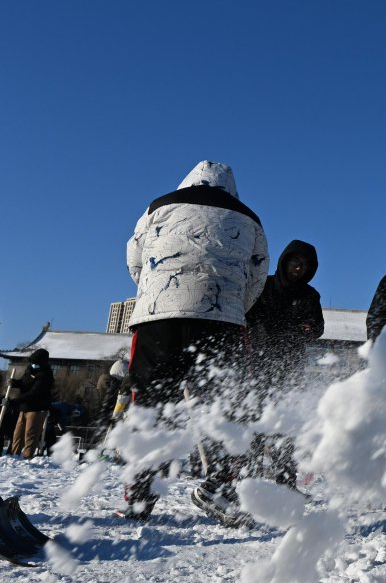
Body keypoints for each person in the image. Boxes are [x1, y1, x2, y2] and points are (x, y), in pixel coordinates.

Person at [122, 159, 269, 520]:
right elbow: (257, 275)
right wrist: (233, 307)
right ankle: (218, 487)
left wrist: (155, 295)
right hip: (223, 323)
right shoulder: (249, 217)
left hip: (159, 320)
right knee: (222, 406)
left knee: (153, 403)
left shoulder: (159, 206)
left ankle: (140, 494)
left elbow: (135, 258)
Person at [249, 241, 324, 396]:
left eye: (304, 265)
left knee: (284, 409)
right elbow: (247, 316)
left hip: (291, 364)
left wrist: (309, 328)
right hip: (257, 360)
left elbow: (317, 327)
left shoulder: (310, 295)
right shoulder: (262, 285)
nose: (299, 268)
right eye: (296, 262)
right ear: (285, 260)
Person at [8, 348, 56, 457]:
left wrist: (13, 402)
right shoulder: (30, 369)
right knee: (18, 433)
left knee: (30, 434)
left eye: (36, 363)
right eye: (32, 362)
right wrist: (14, 383)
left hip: (37, 408)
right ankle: (14, 454)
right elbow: (24, 383)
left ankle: (27, 456)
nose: (34, 365)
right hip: (24, 407)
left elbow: (34, 393)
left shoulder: (46, 375)